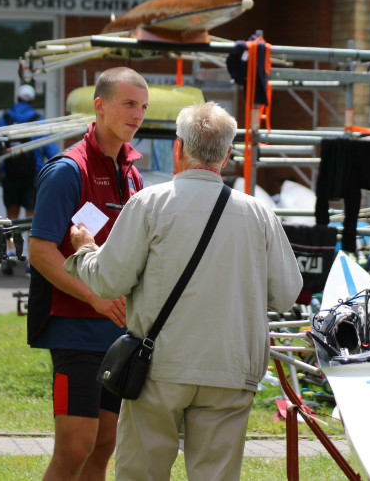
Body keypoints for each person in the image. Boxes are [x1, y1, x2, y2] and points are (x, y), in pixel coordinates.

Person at [65, 101, 302, 481]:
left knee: (141, 475)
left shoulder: (149, 204)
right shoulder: (259, 213)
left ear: (179, 149)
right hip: (230, 367)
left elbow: (109, 281)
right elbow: (287, 294)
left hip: (159, 365)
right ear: (227, 154)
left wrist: (85, 250)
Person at [27, 67, 148, 481]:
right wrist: (95, 297)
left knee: (104, 444)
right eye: (128, 104)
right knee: (76, 446)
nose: (137, 115)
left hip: (118, 333)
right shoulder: (67, 170)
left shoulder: (133, 174)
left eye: (143, 107)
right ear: (100, 106)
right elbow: (40, 251)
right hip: (75, 331)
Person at [0, 84, 58, 275]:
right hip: (31, 177)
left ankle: (11, 253)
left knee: (11, 216)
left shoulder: (5, 119)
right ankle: (30, 261)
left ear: (17, 99)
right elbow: (51, 151)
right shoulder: (39, 121)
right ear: (33, 101)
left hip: (10, 176)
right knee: (31, 218)